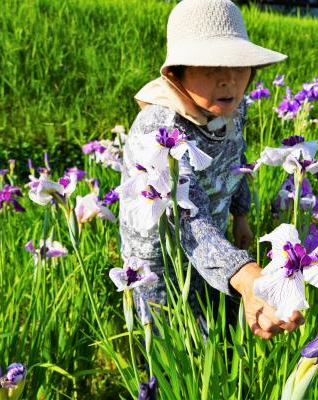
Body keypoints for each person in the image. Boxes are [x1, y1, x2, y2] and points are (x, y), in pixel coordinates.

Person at [119, 0, 304, 340]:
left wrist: (241, 215)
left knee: (216, 334)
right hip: (163, 260)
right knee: (173, 345)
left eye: (239, 66)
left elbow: (238, 159)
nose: (228, 80)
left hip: (217, 246)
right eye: (210, 66)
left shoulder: (235, 107)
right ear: (176, 74)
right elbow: (185, 218)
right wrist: (245, 274)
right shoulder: (158, 131)